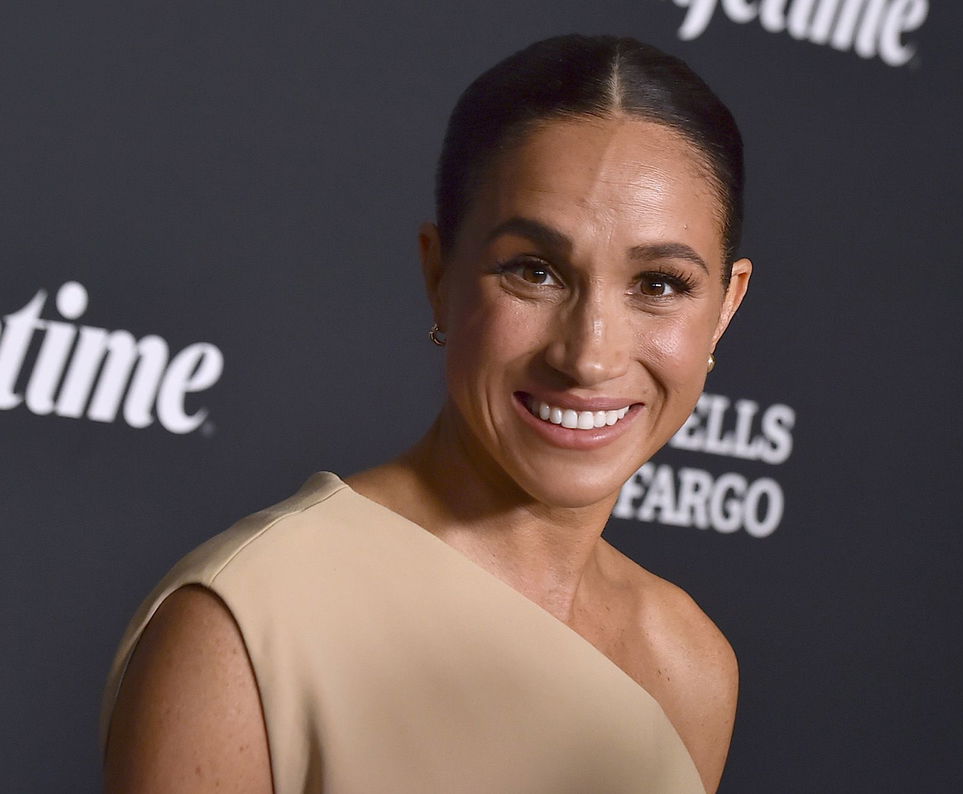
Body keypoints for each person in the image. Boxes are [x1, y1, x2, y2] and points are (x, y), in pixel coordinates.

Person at [101, 33, 752, 794]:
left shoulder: (689, 667)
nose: (590, 357)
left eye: (662, 284)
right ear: (439, 274)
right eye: (535, 271)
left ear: (726, 307)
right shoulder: (242, 628)